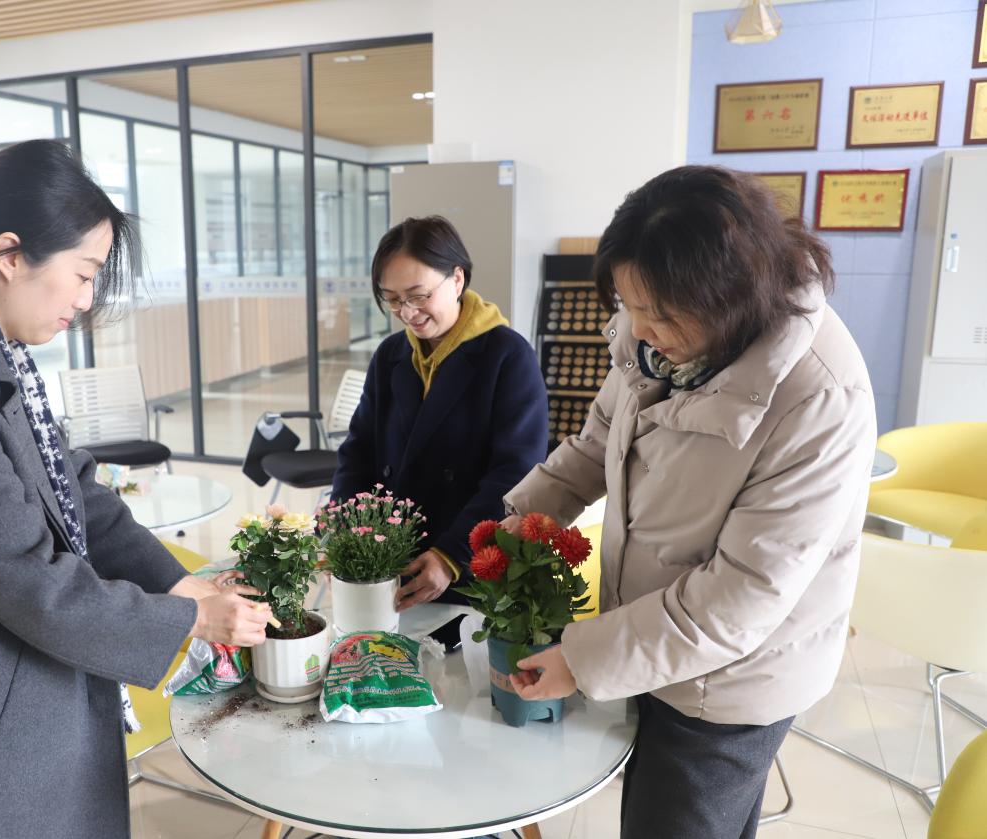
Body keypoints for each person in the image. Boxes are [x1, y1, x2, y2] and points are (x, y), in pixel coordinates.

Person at [0, 139, 269, 839]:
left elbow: (79, 493)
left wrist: (186, 586)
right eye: (83, 273)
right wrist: (188, 619)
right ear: (10, 255)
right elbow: (33, 583)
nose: (87, 300)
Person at [502, 166, 876, 839]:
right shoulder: (654, 335)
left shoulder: (818, 395)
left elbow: (741, 598)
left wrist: (583, 660)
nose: (641, 329)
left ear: (730, 294)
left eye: (661, 314)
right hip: (654, 638)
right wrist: (519, 521)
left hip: (730, 683)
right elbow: (599, 440)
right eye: (629, 305)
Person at [331, 215, 548, 610]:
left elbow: (515, 472)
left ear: (457, 279)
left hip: (469, 566)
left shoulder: (507, 356)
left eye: (418, 296)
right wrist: (343, 529)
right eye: (392, 299)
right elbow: (359, 450)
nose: (407, 312)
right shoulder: (391, 355)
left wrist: (452, 555)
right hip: (390, 560)